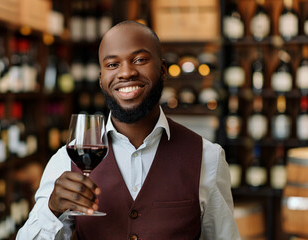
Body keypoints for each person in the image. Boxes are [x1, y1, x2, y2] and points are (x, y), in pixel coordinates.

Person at [17, 20, 240, 240]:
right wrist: (52, 209)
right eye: (112, 64)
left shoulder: (208, 158)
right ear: (101, 80)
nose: (126, 73)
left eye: (140, 60)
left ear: (163, 70)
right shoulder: (65, 161)